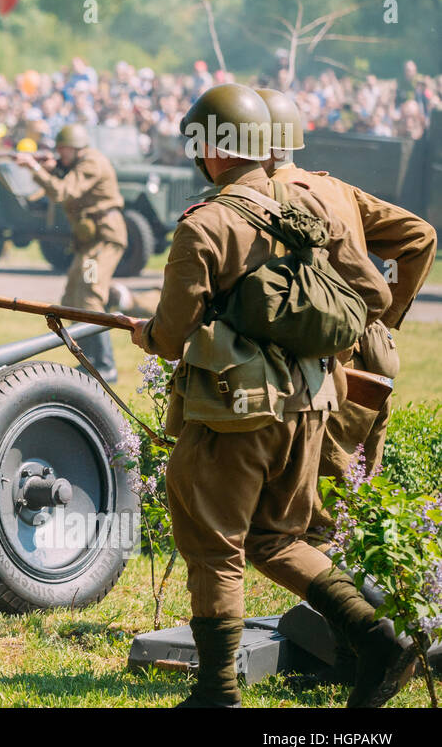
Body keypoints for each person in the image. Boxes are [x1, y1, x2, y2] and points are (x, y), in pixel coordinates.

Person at [131, 83, 410, 708]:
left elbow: (174, 335)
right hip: (312, 407)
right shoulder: (312, 212)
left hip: (235, 415)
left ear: (213, 150)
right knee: (279, 540)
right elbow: (377, 297)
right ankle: (376, 636)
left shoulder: (205, 224)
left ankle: (216, 691)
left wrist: (145, 334)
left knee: (214, 543)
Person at [258, 87, 437, 481]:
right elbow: (418, 237)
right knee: (354, 507)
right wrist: (379, 322)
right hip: (371, 368)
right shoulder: (335, 189)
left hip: (324, 375)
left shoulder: (268, 199)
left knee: (312, 514)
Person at [13, 123, 127, 382]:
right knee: (74, 297)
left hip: (104, 238)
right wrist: (52, 167)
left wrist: (35, 168)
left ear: (75, 148)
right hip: (90, 241)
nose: (60, 154)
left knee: (89, 295)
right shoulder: (80, 162)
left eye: (63, 150)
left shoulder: (91, 163)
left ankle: (105, 365)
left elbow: (62, 192)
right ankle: (90, 361)